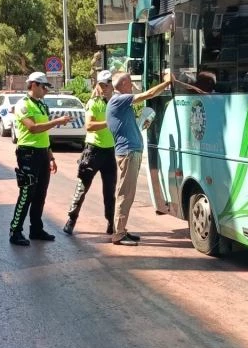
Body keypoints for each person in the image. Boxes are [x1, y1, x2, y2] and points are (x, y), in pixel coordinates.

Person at [106, 70, 173, 246]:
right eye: (129, 82)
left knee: (127, 193)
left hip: (130, 151)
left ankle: (121, 230)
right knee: (125, 194)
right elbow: (148, 94)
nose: (132, 85)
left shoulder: (120, 104)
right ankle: (119, 234)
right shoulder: (119, 99)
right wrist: (167, 82)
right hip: (128, 152)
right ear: (121, 85)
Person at [9, 72, 72, 246]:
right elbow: (33, 128)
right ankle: (15, 230)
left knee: (40, 194)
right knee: (27, 193)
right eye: (44, 87)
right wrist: (57, 121)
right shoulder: (23, 105)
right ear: (34, 85)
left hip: (42, 153)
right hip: (28, 153)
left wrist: (50, 156)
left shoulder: (42, 105)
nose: (46, 90)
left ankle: (36, 228)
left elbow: (43, 134)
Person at [63, 70, 117, 236]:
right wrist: (108, 122)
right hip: (93, 150)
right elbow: (89, 125)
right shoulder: (94, 103)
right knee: (82, 187)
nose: (104, 87)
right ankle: (71, 219)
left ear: (112, 85)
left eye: (107, 84)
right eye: (101, 85)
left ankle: (111, 222)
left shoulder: (116, 102)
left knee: (110, 191)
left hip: (110, 151)